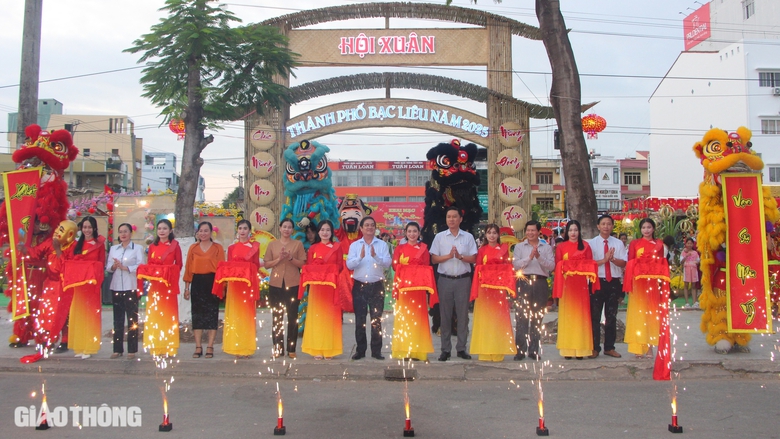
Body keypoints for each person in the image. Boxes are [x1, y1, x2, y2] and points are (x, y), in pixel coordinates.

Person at [430, 207, 478, 362]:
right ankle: (445, 350)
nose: (451, 219)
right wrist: (449, 256)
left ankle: (461, 348)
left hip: (463, 280)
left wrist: (460, 257)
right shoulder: (440, 237)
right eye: (448, 217)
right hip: (445, 280)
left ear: (460, 219)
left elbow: (474, 259)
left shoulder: (468, 237)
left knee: (463, 316)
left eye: (454, 216)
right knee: (445, 316)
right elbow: (434, 259)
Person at [623, 218, 671, 360]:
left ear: (653, 229)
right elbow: (630, 263)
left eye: (649, 227)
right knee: (638, 314)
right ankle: (638, 347)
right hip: (638, 284)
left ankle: (650, 347)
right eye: (643, 227)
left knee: (651, 315)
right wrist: (641, 262)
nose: (646, 230)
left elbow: (662, 264)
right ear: (640, 229)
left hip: (652, 284)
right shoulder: (635, 244)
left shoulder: (659, 245)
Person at [390, 222, 438, 361]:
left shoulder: (424, 248)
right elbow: (394, 266)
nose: (412, 234)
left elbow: (426, 267)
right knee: (404, 319)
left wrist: (410, 268)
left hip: (418, 290)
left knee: (419, 319)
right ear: (405, 233)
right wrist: (404, 266)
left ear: (419, 233)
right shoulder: (400, 248)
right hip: (404, 289)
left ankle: (418, 351)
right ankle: (404, 350)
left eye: (415, 231)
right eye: (409, 231)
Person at [469, 224, 517, 362]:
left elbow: (507, 267)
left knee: (498, 319)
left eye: (494, 233)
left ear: (498, 235)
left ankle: (497, 350)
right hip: (484, 290)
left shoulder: (503, 249)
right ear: (485, 235)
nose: (492, 235)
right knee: (485, 319)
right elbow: (478, 268)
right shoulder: (482, 250)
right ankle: (484, 350)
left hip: (498, 290)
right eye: (489, 233)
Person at [347, 216, 392, 360]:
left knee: (376, 320)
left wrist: (375, 256)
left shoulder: (382, 245)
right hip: (359, 286)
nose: (369, 227)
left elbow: (388, 263)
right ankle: (360, 350)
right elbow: (349, 265)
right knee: (360, 320)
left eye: (372, 225)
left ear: (375, 228)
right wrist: (360, 257)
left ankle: (376, 351)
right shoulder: (355, 245)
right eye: (366, 225)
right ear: (361, 228)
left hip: (377, 285)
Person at [553, 220, 598, 360]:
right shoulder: (561, 247)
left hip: (581, 286)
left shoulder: (585, 246)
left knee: (581, 316)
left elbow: (590, 264)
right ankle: (567, 349)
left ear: (579, 232)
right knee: (568, 317)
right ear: (567, 232)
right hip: (567, 286)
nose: (573, 233)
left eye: (576, 230)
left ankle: (581, 349)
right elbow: (557, 266)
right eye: (570, 230)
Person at [214, 220, 260, 359]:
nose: (242, 231)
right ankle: (235, 346)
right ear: (237, 230)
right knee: (235, 314)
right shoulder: (232, 248)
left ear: (249, 231)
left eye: (245, 228)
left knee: (246, 315)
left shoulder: (254, 247)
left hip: (247, 285)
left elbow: (256, 266)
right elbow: (229, 266)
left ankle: (246, 347)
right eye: (240, 228)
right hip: (234, 286)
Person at [137, 219, 183, 357]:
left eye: (165, 228)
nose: (162, 231)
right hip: (155, 286)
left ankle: (169, 347)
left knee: (168, 315)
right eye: (159, 228)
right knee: (155, 314)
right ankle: (156, 346)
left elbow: (179, 265)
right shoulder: (152, 246)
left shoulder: (175, 246)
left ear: (170, 231)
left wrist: (168, 272)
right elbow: (149, 264)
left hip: (168, 286)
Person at [299, 220, 344, 359]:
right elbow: (309, 266)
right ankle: (316, 348)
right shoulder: (313, 248)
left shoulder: (337, 247)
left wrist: (327, 271)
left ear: (331, 232)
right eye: (322, 230)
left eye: (328, 230)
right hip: (316, 288)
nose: (325, 232)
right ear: (318, 232)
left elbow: (340, 266)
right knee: (317, 317)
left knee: (330, 317)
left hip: (331, 287)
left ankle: (330, 349)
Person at [63, 216, 106, 359]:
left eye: (89, 227)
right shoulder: (76, 245)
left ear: (94, 228)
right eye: (84, 227)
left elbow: (101, 264)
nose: (87, 230)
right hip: (79, 286)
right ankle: (79, 346)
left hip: (91, 286)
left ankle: (89, 347)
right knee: (78, 314)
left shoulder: (99, 245)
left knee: (90, 316)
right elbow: (68, 262)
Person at [512, 220, 555, 361]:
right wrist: (530, 257)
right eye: (528, 230)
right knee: (521, 317)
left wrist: (539, 257)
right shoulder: (519, 247)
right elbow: (516, 265)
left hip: (540, 282)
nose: (530, 233)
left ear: (538, 232)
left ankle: (534, 350)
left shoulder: (546, 247)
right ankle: (520, 350)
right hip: (523, 281)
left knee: (537, 317)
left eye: (533, 230)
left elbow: (551, 266)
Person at [263, 218, 305, 359]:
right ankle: (277, 348)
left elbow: (303, 264)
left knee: (292, 316)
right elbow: (266, 264)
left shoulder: (297, 244)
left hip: (293, 283)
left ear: (292, 230)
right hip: (275, 284)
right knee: (277, 316)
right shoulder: (272, 245)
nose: (287, 229)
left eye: (289, 227)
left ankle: (291, 348)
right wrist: (279, 259)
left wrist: (291, 258)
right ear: (280, 228)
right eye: (284, 227)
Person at [587, 215, 627, 359]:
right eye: (603, 224)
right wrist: (604, 260)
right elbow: (589, 264)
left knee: (611, 316)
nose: (606, 226)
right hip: (597, 281)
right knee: (594, 316)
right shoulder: (591, 244)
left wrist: (613, 259)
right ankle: (595, 347)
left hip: (613, 282)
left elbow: (624, 263)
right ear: (598, 226)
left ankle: (609, 347)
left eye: (609, 224)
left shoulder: (618, 243)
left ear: (612, 226)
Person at [183, 222, 224, 359]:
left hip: (213, 282)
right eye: (201, 231)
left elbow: (221, 269)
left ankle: (210, 346)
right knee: (197, 315)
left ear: (211, 232)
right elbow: (188, 268)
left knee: (212, 314)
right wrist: (187, 288)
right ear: (197, 232)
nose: (203, 233)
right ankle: (198, 346)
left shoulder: (217, 248)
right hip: (197, 283)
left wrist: (222, 287)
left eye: (206, 231)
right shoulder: (193, 248)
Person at [106, 223, 145, 359]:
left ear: (130, 233)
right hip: (116, 286)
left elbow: (141, 265)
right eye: (120, 231)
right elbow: (108, 267)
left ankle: (132, 350)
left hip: (131, 287)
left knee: (132, 319)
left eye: (125, 231)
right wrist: (114, 266)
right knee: (118, 319)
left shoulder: (137, 248)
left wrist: (126, 268)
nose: (123, 234)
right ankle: (117, 349)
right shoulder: (114, 249)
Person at [680, 237, 700, 308]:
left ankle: (694, 302)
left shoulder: (695, 252)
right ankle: (687, 303)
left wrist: (696, 262)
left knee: (693, 286)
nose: (689, 245)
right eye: (688, 243)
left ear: (693, 244)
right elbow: (681, 262)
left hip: (694, 270)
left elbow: (698, 261)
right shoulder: (683, 252)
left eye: (691, 243)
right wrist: (686, 256)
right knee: (686, 285)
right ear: (686, 244)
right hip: (686, 270)